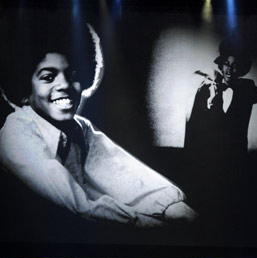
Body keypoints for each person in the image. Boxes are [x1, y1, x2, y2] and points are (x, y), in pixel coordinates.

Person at [0, 21, 198, 229]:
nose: (65, 85)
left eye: (73, 76)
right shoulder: (15, 134)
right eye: (48, 77)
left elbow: (122, 173)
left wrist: (175, 208)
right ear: (23, 91)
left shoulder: (79, 127)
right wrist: (161, 226)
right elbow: (80, 206)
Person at [185, 35, 257, 155]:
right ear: (221, 65)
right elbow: (194, 123)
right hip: (210, 157)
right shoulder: (207, 86)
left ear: (241, 67)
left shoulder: (247, 88)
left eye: (235, 64)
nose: (229, 69)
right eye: (227, 63)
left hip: (237, 157)